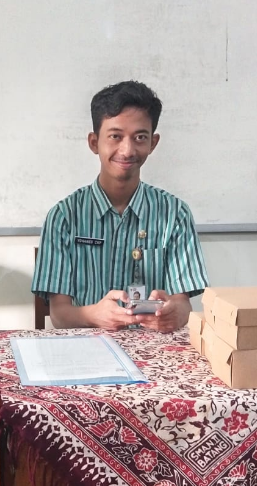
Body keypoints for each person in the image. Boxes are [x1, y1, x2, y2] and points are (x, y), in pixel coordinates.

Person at [32, 81, 209, 333]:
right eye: (115, 136)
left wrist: (172, 313)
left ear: (153, 143)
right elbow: (59, 315)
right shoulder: (63, 217)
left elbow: (183, 305)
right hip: (87, 345)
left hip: (153, 348)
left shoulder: (175, 214)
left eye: (140, 137)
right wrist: (94, 315)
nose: (127, 150)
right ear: (94, 142)